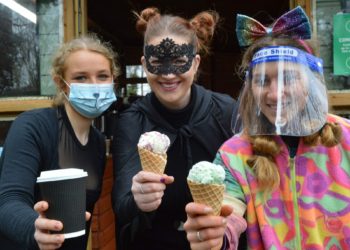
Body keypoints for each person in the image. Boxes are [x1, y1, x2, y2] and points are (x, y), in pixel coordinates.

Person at [184, 6, 350, 250]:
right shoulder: (234, 154)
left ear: (310, 81)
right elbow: (228, 215)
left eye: (289, 78)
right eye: (262, 80)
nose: (275, 94)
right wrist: (212, 234)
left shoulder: (345, 137)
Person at [111, 7, 241, 250]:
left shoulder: (226, 112)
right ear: (144, 64)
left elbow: (247, 187)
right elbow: (121, 207)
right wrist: (138, 199)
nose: (169, 74)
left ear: (195, 63)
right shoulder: (133, 120)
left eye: (180, 61)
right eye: (158, 62)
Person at [0, 34, 120, 250]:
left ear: (113, 80)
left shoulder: (98, 143)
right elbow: (8, 199)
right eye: (81, 78)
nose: (94, 86)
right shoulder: (32, 127)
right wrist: (35, 228)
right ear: (61, 83)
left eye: (102, 76)